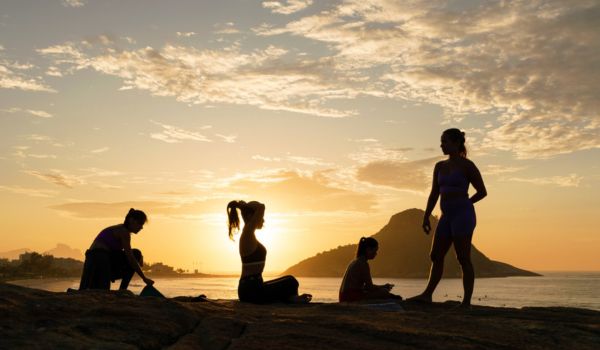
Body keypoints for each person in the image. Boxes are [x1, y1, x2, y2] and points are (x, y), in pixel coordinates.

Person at [409, 128, 487, 307]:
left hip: (463, 216)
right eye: (441, 141)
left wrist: (467, 203)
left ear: (456, 143)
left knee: (463, 258)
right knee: (436, 255)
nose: (441, 145)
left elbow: (482, 192)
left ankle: (466, 302)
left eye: (445, 141)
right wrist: (427, 215)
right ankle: (427, 295)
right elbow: (434, 193)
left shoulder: (468, 166)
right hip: (446, 216)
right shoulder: (440, 166)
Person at [227, 200, 312, 304]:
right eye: (260, 217)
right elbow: (261, 207)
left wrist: (243, 206)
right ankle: (292, 300)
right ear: (250, 217)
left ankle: (291, 298)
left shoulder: (249, 234)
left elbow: (259, 209)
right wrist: (243, 206)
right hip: (250, 291)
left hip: (254, 288)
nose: (263, 220)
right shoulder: (247, 233)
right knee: (291, 282)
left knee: (290, 280)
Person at [79, 208, 154, 290]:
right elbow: (130, 257)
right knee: (136, 253)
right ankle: (122, 289)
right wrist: (144, 278)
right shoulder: (123, 231)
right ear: (131, 220)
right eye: (140, 224)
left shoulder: (120, 229)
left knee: (136, 254)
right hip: (99, 259)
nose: (141, 227)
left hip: (97, 259)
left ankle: (121, 289)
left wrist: (137, 258)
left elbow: (120, 253)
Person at [339, 237, 402, 302]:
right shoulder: (363, 263)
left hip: (344, 296)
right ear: (368, 249)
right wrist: (383, 288)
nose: (376, 253)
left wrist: (382, 286)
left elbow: (366, 287)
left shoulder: (355, 261)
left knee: (383, 291)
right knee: (384, 292)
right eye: (375, 251)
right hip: (350, 297)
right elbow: (369, 287)